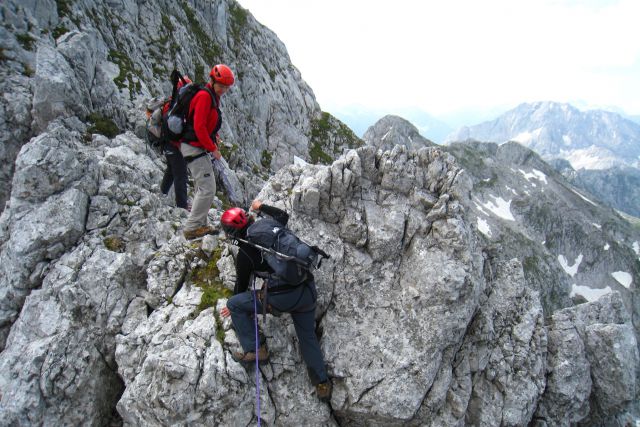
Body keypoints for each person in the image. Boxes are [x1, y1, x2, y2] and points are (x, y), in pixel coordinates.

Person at [219, 200, 332, 402]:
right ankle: (322, 383)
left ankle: (256, 349)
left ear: (231, 234)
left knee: (234, 305)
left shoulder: (245, 252)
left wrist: (232, 302)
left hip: (281, 298)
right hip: (307, 290)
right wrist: (261, 206)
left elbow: (241, 286)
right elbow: (283, 216)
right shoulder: (268, 227)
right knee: (307, 337)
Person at [181, 64, 235, 240]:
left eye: (227, 87)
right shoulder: (205, 96)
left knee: (201, 186)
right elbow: (198, 126)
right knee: (208, 188)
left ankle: (201, 224)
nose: (224, 90)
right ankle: (192, 228)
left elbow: (207, 122)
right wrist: (213, 149)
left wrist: (214, 136)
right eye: (222, 85)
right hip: (194, 147)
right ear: (212, 81)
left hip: (196, 146)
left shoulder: (213, 96)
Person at [159, 76, 191, 210]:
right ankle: (182, 207)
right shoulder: (178, 106)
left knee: (171, 171)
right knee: (181, 176)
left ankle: (161, 194)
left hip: (167, 144)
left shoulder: (170, 104)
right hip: (175, 146)